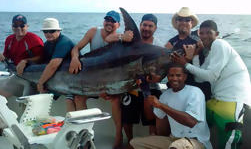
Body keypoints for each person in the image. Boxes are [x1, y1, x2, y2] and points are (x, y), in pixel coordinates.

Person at [172, 20, 251, 149]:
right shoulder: (210, 54)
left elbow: (211, 76)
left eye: (209, 32)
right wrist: (196, 56)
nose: (204, 36)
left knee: (228, 144)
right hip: (217, 101)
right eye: (201, 33)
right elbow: (199, 78)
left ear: (217, 34)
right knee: (196, 127)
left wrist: (185, 63)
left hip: (233, 101)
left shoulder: (220, 44)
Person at [69, 10, 133, 148]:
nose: (109, 23)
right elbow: (76, 47)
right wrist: (75, 58)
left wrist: (106, 88)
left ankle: (118, 135)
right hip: (92, 80)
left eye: (113, 21)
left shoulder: (119, 38)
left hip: (110, 81)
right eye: (107, 20)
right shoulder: (93, 31)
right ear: (104, 21)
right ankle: (86, 134)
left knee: (116, 100)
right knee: (78, 98)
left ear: (118, 24)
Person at [130, 63, 212, 149]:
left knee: (175, 147)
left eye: (178, 75)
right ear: (167, 77)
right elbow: (150, 117)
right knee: (134, 143)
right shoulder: (165, 95)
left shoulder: (195, 92)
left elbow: (191, 121)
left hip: (195, 141)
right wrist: (145, 90)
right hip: (172, 139)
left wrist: (161, 105)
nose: (174, 78)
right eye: (171, 75)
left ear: (185, 77)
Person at [121, 14, 162, 143]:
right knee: (127, 119)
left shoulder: (159, 45)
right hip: (130, 87)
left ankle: (150, 144)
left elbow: (162, 73)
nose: (147, 28)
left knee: (152, 121)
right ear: (140, 25)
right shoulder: (129, 41)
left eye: (150, 26)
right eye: (144, 25)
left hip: (151, 89)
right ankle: (130, 142)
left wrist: (156, 78)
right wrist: (121, 36)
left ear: (155, 28)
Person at [0, 14, 44, 97]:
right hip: (16, 74)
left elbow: (42, 57)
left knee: (26, 100)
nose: (18, 28)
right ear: (12, 26)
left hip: (32, 77)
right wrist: (2, 57)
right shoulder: (9, 39)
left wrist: (26, 61)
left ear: (27, 26)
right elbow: (6, 57)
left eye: (22, 25)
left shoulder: (34, 39)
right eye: (15, 25)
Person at [37, 18, 75, 110]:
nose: (48, 34)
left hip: (74, 79)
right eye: (46, 32)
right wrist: (25, 61)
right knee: (41, 95)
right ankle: (45, 120)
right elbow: (43, 63)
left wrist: (40, 82)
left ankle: (71, 123)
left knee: (69, 99)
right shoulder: (47, 44)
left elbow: (53, 65)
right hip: (60, 79)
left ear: (58, 31)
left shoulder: (64, 42)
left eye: (52, 31)